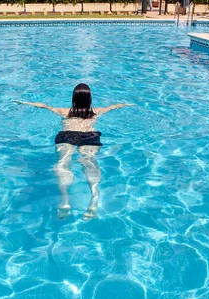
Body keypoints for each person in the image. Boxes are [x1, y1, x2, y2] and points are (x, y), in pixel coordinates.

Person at [15, 83, 132, 220]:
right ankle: (94, 199)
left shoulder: (64, 112)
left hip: (67, 135)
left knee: (63, 162)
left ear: (74, 98)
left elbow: (44, 106)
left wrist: (24, 102)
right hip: (89, 136)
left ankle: (64, 200)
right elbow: (112, 107)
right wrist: (126, 104)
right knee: (89, 162)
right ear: (89, 98)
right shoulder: (96, 111)